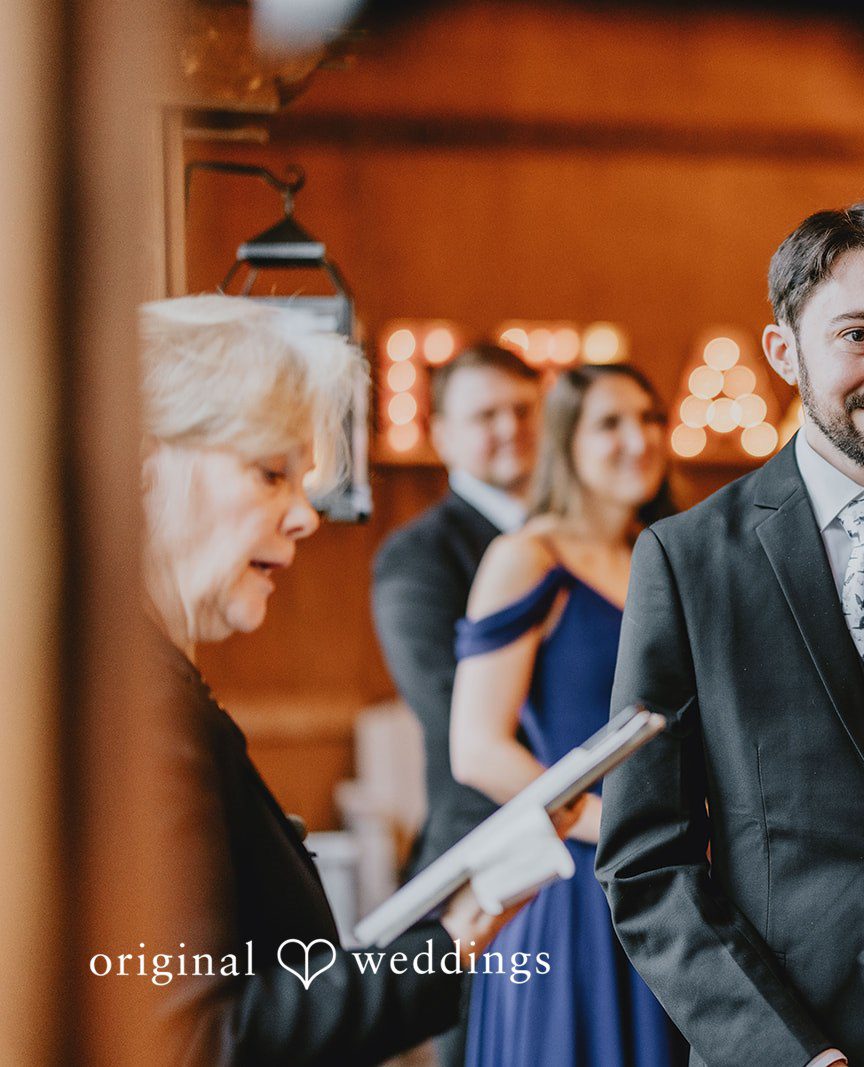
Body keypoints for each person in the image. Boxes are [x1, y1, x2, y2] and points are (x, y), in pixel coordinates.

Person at [596, 200, 864, 1067]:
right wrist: (789, 1055)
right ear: (784, 349)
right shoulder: (686, 561)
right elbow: (646, 858)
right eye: (858, 334)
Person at [140, 295, 554, 1066]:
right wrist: (448, 945)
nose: (304, 515)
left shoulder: (157, 682)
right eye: (271, 473)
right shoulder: (130, 711)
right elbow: (199, 1039)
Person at [451, 362, 683, 1067]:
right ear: (566, 441)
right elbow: (478, 749)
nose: (638, 439)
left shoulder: (668, 551)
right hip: (575, 884)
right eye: (610, 422)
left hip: (674, 877)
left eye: (648, 418)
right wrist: (612, 826)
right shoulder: (526, 556)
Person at [371, 340, 542, 1067]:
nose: (510, 427)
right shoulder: (418, 557)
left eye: (524, 408)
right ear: (439, 432)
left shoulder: (608, 531)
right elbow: (454, 720)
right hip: (486, 851)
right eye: (485, 414)